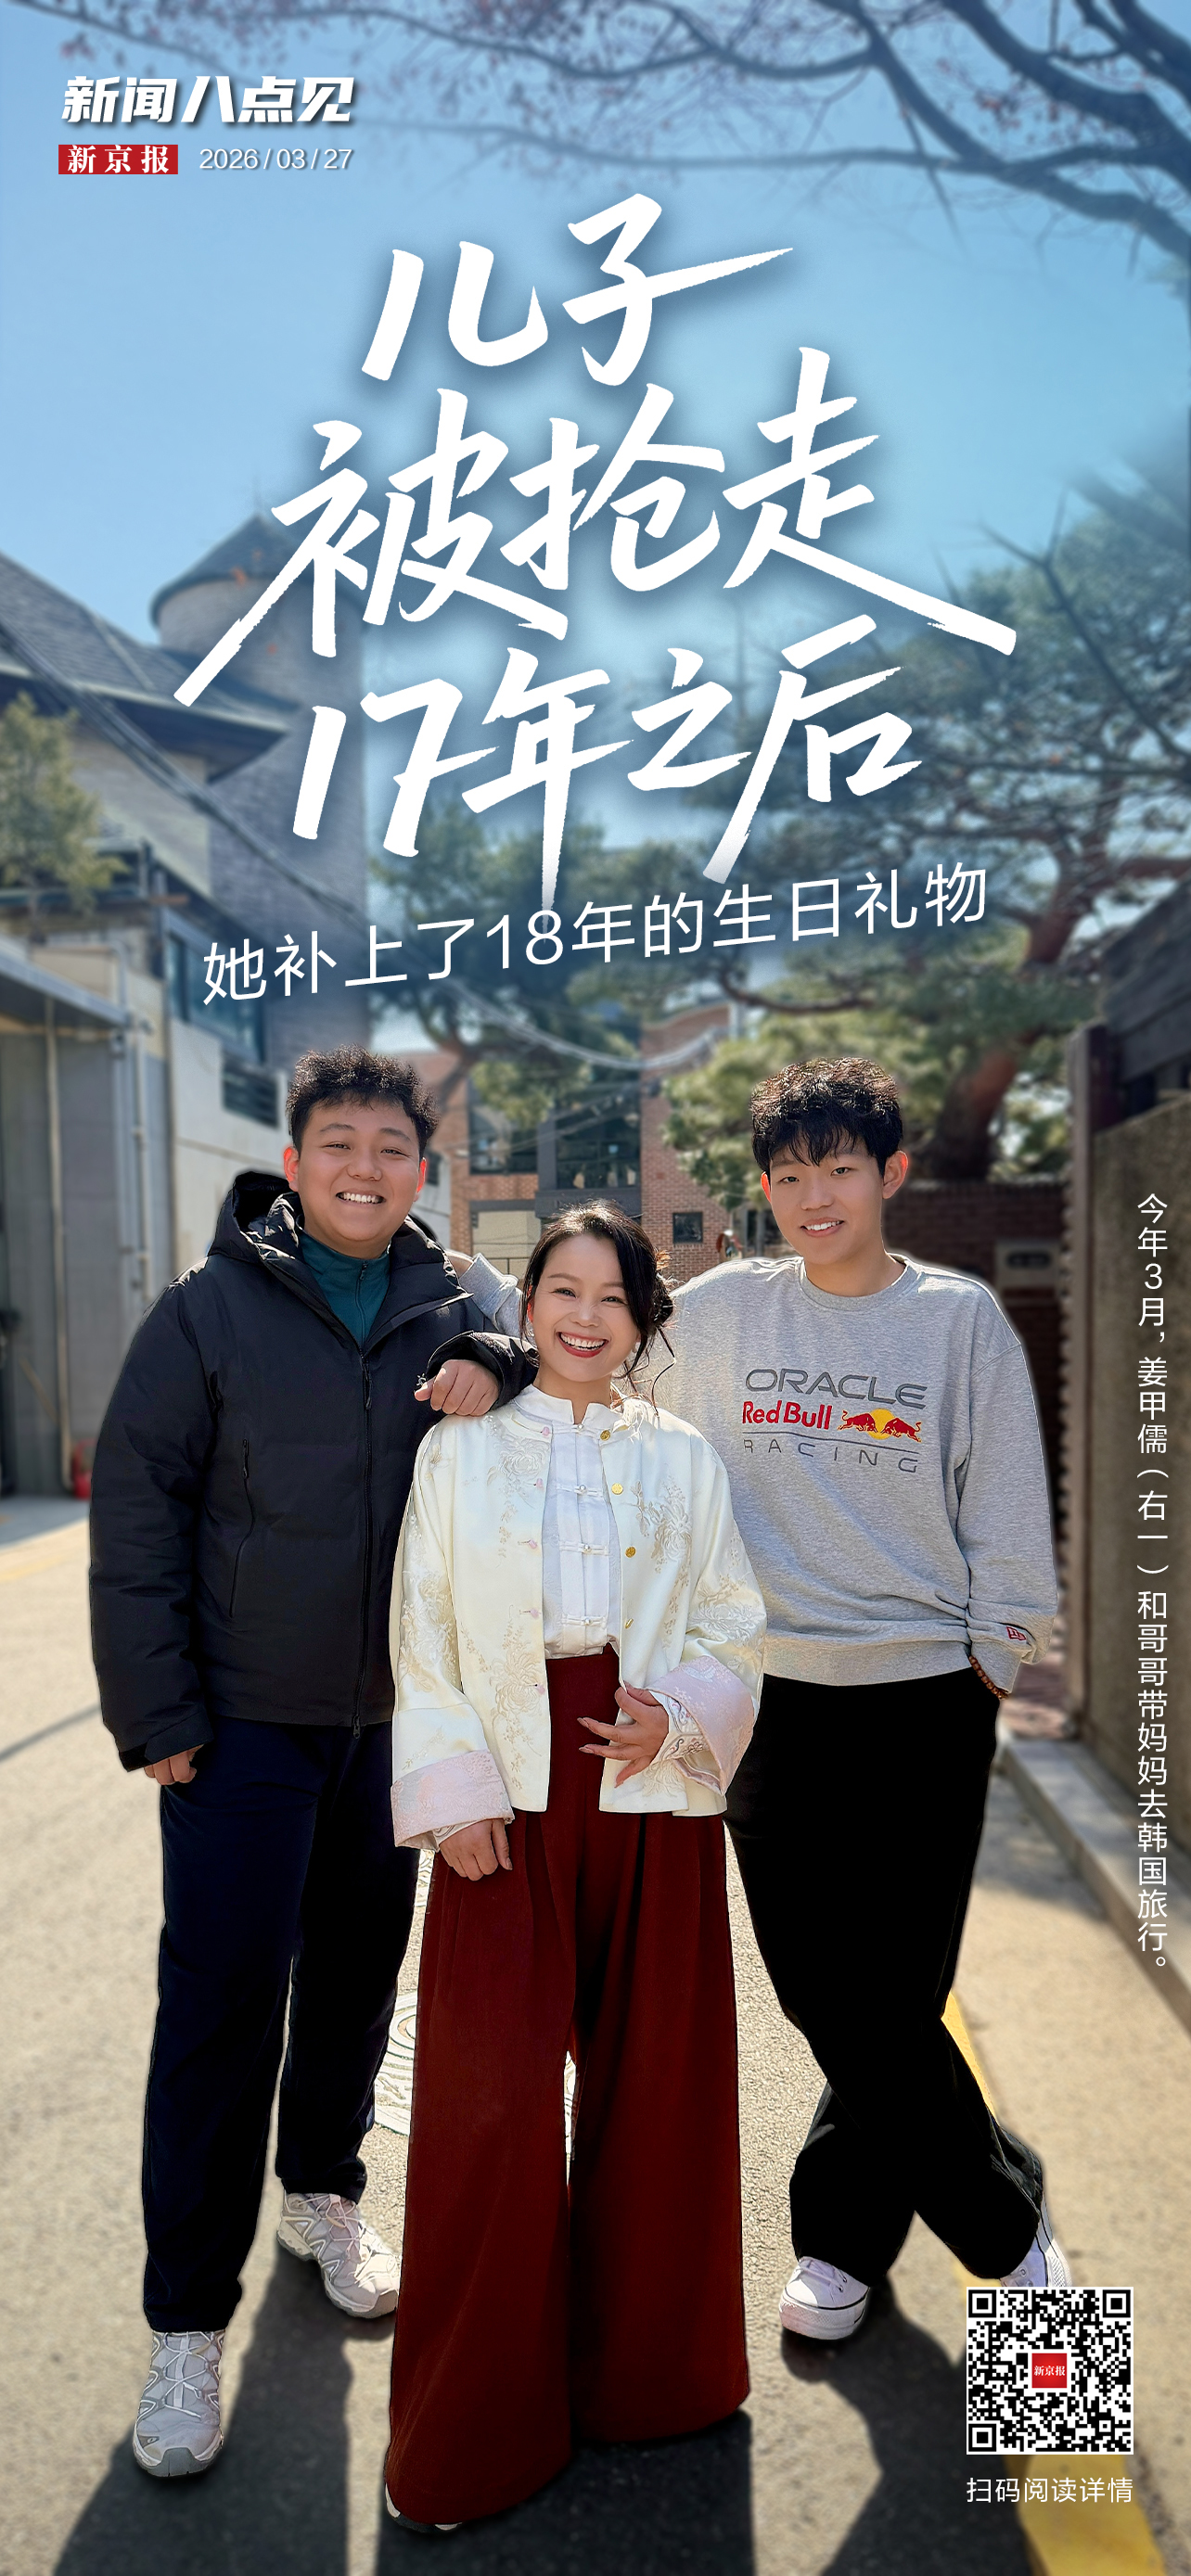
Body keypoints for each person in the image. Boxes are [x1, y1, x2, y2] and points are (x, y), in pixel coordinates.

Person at [90, 1045, 535, 2480]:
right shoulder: (205, 1312)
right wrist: (158, 1708)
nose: (365, 1165)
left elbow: (559, 1373)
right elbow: (138, 1512)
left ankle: (323, 2189)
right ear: (294, 1163)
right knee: (224, 2007)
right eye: (338, 1141)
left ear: (423, 1168)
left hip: (394, 1724)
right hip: (242, 1725)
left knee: (355, 1979)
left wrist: (503, 1357)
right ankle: (185, 2323)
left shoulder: (454, 1304)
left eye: (391, 1145)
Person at [659, 1056, 1067, 2342]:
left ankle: (841, 2239)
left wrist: (1000, 1654)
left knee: (891, 1994)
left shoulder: (955, 1321)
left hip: (927, 1697)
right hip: (770, 1699)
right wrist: (475, 1354)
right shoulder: (720, 1314)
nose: (814, 1196)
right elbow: (587, 1356)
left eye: (839, 1168)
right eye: (789, 1175)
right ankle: (1013, 2230)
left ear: (890, 1172)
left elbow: (1007, 1498)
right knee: (827, 1990)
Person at [383, 1205, 766, 2531]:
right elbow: (422, 1627)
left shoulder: (682, 1457)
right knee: (485, 2104)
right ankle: (470, 2436)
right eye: (563, 1288)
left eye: (613, 1296)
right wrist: (454, 1793)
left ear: (644, 1318)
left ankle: (655, 2380)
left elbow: (731, 1615)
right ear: (528, 1301)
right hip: (504, 1783)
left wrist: (684, 1716)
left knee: (661, 2087)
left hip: (647, 1772)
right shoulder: (460, 1448)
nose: (586, 1316)